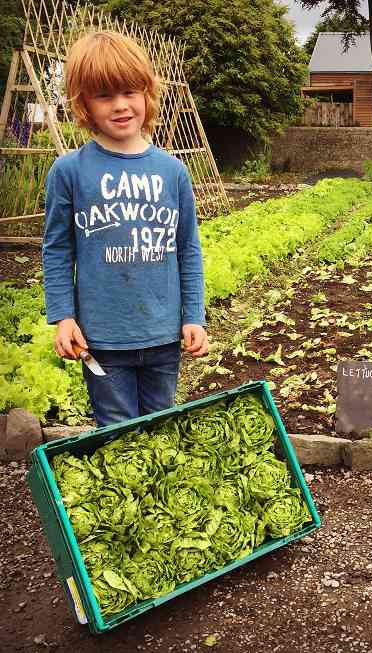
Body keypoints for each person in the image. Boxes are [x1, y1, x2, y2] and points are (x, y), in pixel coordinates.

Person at [42, 30, 209, 427]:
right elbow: (57, 249)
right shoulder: (69, 171)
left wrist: (193, 316)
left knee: (159, 427)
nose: (120, 106)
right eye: (104, 95)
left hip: (163, 333)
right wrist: (63, 316)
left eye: (130, 92)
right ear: (84, 103)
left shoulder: (172, 171)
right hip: (102, 338)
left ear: (148, 95)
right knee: (116, 431)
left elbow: (187, 248)